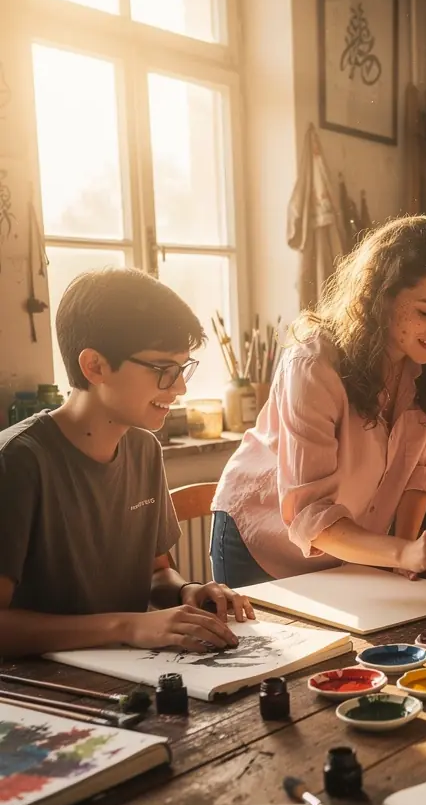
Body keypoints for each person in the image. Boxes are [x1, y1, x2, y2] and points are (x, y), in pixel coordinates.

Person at [211, 216, 426, 587]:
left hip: (351, 548)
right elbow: (310, 516)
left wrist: (405, 557)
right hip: (260, 542)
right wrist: (403, 552)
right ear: (379, 297)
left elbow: (420, 476)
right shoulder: (314, 361)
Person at [0, 268, 253, 660]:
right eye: (163, 371)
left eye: (183, 368)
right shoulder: (17, 462)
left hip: (128, 672)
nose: (180, 387)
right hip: (37, 689)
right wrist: (129, 626)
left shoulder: (144, 450)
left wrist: (187, 592)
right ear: (95, 366)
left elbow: (156, 574)